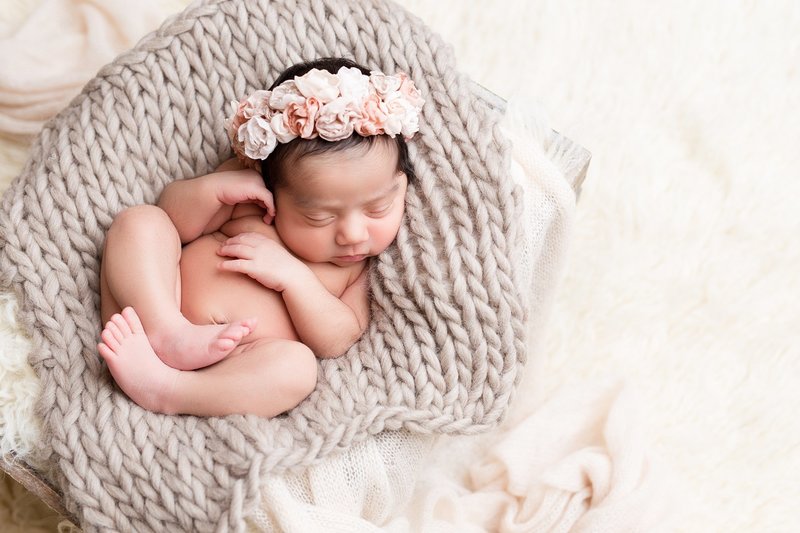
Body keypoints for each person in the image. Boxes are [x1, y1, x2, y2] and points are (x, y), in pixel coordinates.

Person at [96, 57, 424, 418]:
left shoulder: (355, 270)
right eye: (318, 216)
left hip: (236, 363)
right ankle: (167, 332)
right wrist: (214, 191)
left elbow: (338, 338)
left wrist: (295, 278)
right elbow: (174, 222)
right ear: (272, 191)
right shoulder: (250, 201)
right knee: (141, 222)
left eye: (377, 209)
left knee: (297, 368)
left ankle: (168, 389)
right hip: (147, 317)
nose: (352, 234)